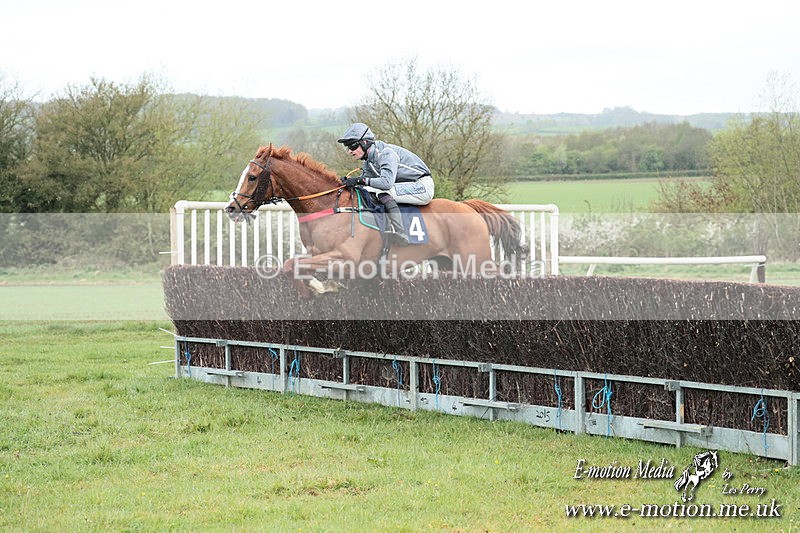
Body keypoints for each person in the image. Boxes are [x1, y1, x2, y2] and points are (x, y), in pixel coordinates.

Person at [337, 122, 434, 246]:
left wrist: (358, 181)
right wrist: (348, 182)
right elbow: (365, 182)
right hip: (407, 185)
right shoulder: (368, 161)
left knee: (383, 191)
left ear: (365, 142)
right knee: (368, 190)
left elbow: (386, 183)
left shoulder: (386, 153)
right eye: (348, 147)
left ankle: (400, 232)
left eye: (352, 146)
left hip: (422, 186)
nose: (350, 151)